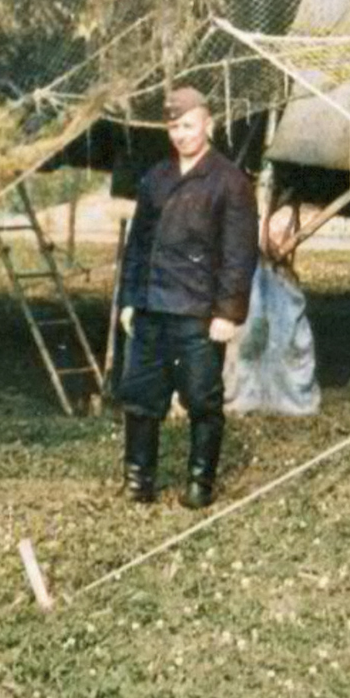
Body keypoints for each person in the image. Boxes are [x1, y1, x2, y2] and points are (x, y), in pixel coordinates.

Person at [117, 85, 260, 508]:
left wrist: (227, 313)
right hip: (151, 309)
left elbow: (239, 255)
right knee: (141, 398)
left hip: (198, 313)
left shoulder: (230, 181)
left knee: (202, 399)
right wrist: (130, 300)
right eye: (174, 128)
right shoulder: (156, 177)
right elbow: (137, 246)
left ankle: (200, 482)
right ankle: (138, 480)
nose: (181, 135)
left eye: (189, 126)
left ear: (208, 124)